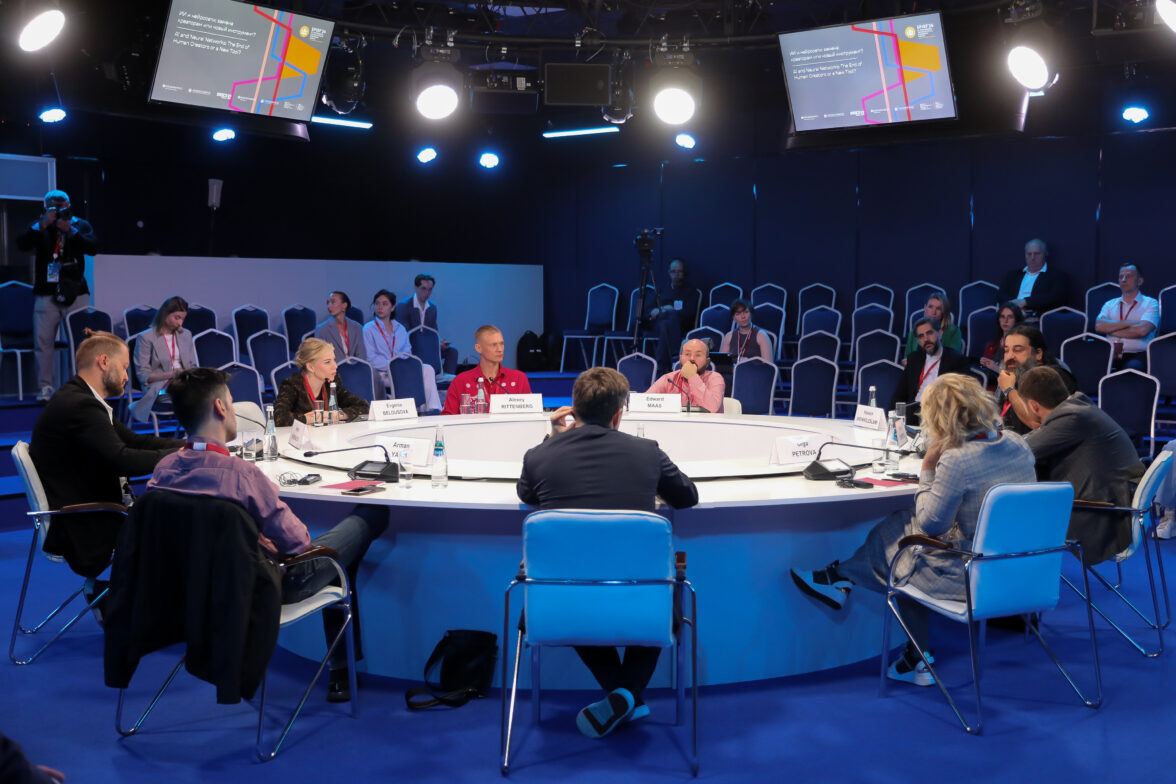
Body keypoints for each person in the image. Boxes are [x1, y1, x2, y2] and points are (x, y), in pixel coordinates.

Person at [149, 367, 389, 702]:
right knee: (371, 515)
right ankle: (342, 667)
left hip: (192, 589)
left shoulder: (163, 470)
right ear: (220, 408)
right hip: (265, 587)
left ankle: (341, 669)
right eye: (231, 402)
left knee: (337, 556)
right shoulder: (242, 475)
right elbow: (298, 543)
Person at [790, 374, 1036, 686]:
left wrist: (928, 468)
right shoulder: (1017, 443)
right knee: (907, 543)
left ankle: (843, 578)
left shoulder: (958, 460)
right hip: (1025, 569)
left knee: (903, 545)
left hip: (974, 576)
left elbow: (932, 524)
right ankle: (909, 653)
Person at [517, 366, 698, 737]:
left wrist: (553, 439)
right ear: (618, 414)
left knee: (571, 585)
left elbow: (526, 494)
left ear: (572, 409)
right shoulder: (647, 452)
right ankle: (627, 694)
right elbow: (687, 497)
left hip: (558, 602)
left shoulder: (538, 455)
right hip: (641, 597)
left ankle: (623, 695)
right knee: (660, 584)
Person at [29, 331, 183, 589]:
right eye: (124, 367)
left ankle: (117, 596)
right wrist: (184, 455)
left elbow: (135, 441)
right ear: (103, 362)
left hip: (90, 509)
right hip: (88, 521)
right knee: (186, 519)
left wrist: (190, 445)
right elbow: (122, 460)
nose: (127, 377)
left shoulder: (80, 398)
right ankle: (125, 600)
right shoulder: (81, 406)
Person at [1016, 366, 1145, 565]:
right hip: (1116, 503)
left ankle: (1026, 575)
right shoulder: (1078, 407)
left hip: (1105, 516)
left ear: (1033, 406)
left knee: (1014, 507)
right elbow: (1037, 439)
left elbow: (1020, 453)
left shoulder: (1072, 418)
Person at [17, 189, 98, 402]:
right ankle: (45, 387)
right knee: (43, 342)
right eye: (53, 207)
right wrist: (42, 225)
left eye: (62, 207)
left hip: (76, 292)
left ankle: (82, 387)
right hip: (46, 292)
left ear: (69, 206)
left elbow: (93, 247)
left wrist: (70, 231)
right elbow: (22, 244)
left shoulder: (79, 225)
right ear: (45, 208)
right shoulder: (40, 226)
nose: (58, 211)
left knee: (81, 342)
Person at [362, 289, 442, 411]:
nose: (380, 307)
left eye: (384, 304)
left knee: (427, 369)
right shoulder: (368, 329)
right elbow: (370, 358)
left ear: (392, 307)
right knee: (409, 376)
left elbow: (407, 352)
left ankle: (433, 409)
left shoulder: (400, 328)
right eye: (377, 303)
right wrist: (392, 365)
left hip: (402, 369)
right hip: (382, 373)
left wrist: (401, 366)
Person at [996, 324, 1077, 435]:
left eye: (1018, 350)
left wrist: (1009, 389)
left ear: (1038, 354)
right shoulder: (1012, 377)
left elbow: (1037, 424)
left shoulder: (1052, 377)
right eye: (1006, 350)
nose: (1010, 356)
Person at [129, 296, 198, 424]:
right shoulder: (146, 337)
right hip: (159, 385)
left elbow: (192, 365)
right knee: (194, 397)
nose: (180, 323)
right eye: (177, 318)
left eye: (183, 319)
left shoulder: (185, 334)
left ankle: (194, 431)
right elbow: (143, 376)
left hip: (184, 382)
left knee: (209, 390)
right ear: (165, 314)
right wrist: (172, 374)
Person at [273, 337, 369, 426]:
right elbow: (278, 417)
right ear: (310, 367)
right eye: (327, 362)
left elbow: (364, 407)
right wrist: (308, 419)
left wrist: (337, 415)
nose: (335, 366)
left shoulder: (332, 382)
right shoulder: (292, 385)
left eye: (334, 360)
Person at [441, 325, 532, 414]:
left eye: (502, 344)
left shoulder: (518, 378)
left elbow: (531, 415)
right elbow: (447, 418)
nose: (500, 349)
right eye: (493, 345)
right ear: (478, 348)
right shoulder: (461, 381)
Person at [891, 318, 970, 411]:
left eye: (929, 333)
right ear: (918, 340)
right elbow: (900, 394)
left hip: (939, 411)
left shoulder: (957, 360)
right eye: (921, 336)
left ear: (940, 333)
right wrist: (894, 415)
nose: (926, 339)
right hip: (914, 409)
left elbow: (960, 398)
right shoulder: (914, 358)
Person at [1094, 264, 1159, 371]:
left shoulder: (1151, 303)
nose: (1123, 279)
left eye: (1128, 276)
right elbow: (1099, 326)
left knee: (1132, 368)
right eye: (1121, 277)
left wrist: (1111, 330)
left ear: (1140, 281)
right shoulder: (1109, 304)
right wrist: (1128, 323)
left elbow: (1141, 331)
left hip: (1137, 354)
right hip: (1110, 352)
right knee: (1091, 364)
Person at [394, 273, 459, 374]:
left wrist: (439, 342)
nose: (427, 293)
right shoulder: (404, 306)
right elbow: (404, 334)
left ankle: (445, 380)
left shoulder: (432, 307)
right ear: (416, 288)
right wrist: (426, 342)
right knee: (423, 348)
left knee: (452, 351)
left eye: (430, 289)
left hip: (428, 347)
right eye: (423, 289)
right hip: (412, 347)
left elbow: (433, 331)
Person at [650, 258, 700, 374]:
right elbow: (649, 309)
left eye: (679, 271)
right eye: (673, 271)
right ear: (669, 272)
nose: (676, 274)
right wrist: (661, 309)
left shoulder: (691, 291)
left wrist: (670, 310)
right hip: (658, 324)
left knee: (668, 322)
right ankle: (674, 356)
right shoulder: (662, 290)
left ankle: (661, 367)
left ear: (684, 273)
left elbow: (690, 312)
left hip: (680, 325)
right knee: (665, 323)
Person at [647, 338, 725, 412]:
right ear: (680, 358)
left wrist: (692, 377)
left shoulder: (715, 378)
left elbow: (712, 408)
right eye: (687, 354)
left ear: (707, 362)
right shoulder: (668, 379)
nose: (692, 358)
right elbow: (645, 402)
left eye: (698, 355)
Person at [998, 238, 1068, 317]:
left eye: (1037, 254)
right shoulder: (1012, 275)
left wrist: (1025, 302)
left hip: (1038, 316)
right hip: (1012, 315)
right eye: (1029, 254)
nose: (1032, 257)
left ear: (1045, 254)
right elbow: (1001, 295)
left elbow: (1055, 297)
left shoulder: (1057, 276)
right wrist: (1014, 306)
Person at [903, 291, 962, 358]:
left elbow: (953, 358)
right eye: (930, 307)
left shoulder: (954, 332)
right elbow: (907, 357)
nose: (933, 312)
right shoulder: (913, 333)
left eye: (938, 308)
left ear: (944, 312)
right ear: (925, 308)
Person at [315, 290, 366, 362]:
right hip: (334, 367)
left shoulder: (357, 327)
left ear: (344, 305)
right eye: (328, 303)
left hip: (355, 367)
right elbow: (320, 358)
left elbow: (362, 355)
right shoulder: (322, 329)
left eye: (333, 302)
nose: (329, 306)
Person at [978, 301, 1025, 373]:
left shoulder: (1020, 344)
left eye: (1010, 317)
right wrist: (984, 364)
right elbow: (985, 365)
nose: (1005, 321)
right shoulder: (996, 339)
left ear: (1016, 320)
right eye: (1002, 317)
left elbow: (1017, 375)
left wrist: (995, 367)